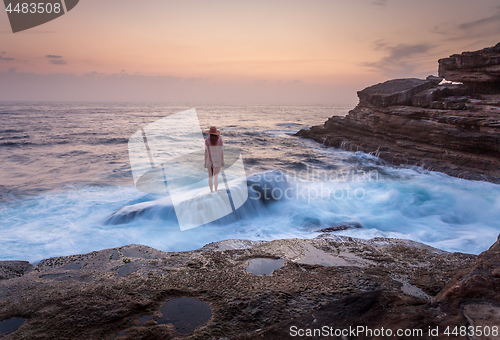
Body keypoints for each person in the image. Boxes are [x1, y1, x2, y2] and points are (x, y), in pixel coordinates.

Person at [204, 126, 225, 192]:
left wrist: (205, 162)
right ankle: (216, 190)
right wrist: (222, 161)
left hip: (209, 161)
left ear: (210, 133)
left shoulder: (207, 141)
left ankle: (211, 191)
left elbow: (206, 152)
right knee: (216, 176)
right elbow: (221, 151)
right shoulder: (220, 140)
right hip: (217, 160)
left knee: (210, 177)